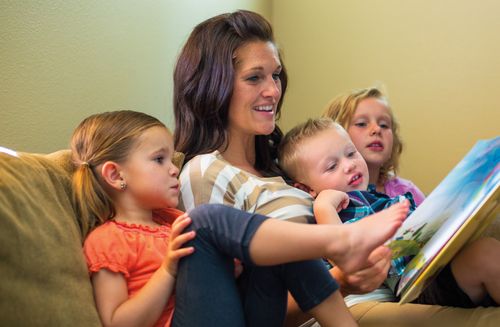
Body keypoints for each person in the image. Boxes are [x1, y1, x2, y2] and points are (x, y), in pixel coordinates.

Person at [71, 110, 405, 327]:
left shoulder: (170, 221)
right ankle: (341, 240)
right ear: (116, 175)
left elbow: (210, 286)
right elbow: (118, 323)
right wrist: (169, 270)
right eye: (159, 159)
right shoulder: (107, 239)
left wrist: (232, 266)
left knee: (279, 244)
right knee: (202, 221)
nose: (174, 168)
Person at [278, 117, 500, 308]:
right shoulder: (335, 213)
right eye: (331, 166)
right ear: (306, 190)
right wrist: (324, 207)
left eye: (351, 153)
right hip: (416, 287)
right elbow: (343, 256)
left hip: (438, 265)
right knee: (485, 255)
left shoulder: (376, 198)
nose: (349, 165)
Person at [322, 87, 426, 205]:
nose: (377, 129)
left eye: (384, 125)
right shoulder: (329, 200)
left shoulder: (408, 192)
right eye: (361, 124)